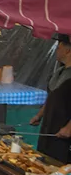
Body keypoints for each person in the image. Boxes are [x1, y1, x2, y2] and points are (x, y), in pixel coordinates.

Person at [30, 35, 71, 163]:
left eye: (59, 48)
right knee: (43, 160)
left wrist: (69, 127)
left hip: (63, 133)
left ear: (67, 51)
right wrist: (39, 115)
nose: (56, 51)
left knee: (57, 165)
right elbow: (52, 97)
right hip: (48, 127)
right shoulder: (59, 72)